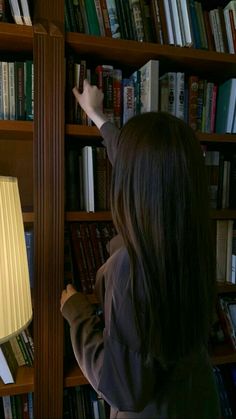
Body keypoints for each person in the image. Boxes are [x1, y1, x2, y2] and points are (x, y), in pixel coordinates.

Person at [61, 80, 221, 418]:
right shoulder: (192, 238)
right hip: (199, 400)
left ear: (132, 186)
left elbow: (123, 389)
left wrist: (76, 313)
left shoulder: (130, 268)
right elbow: (155, 169)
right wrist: (98, 117)